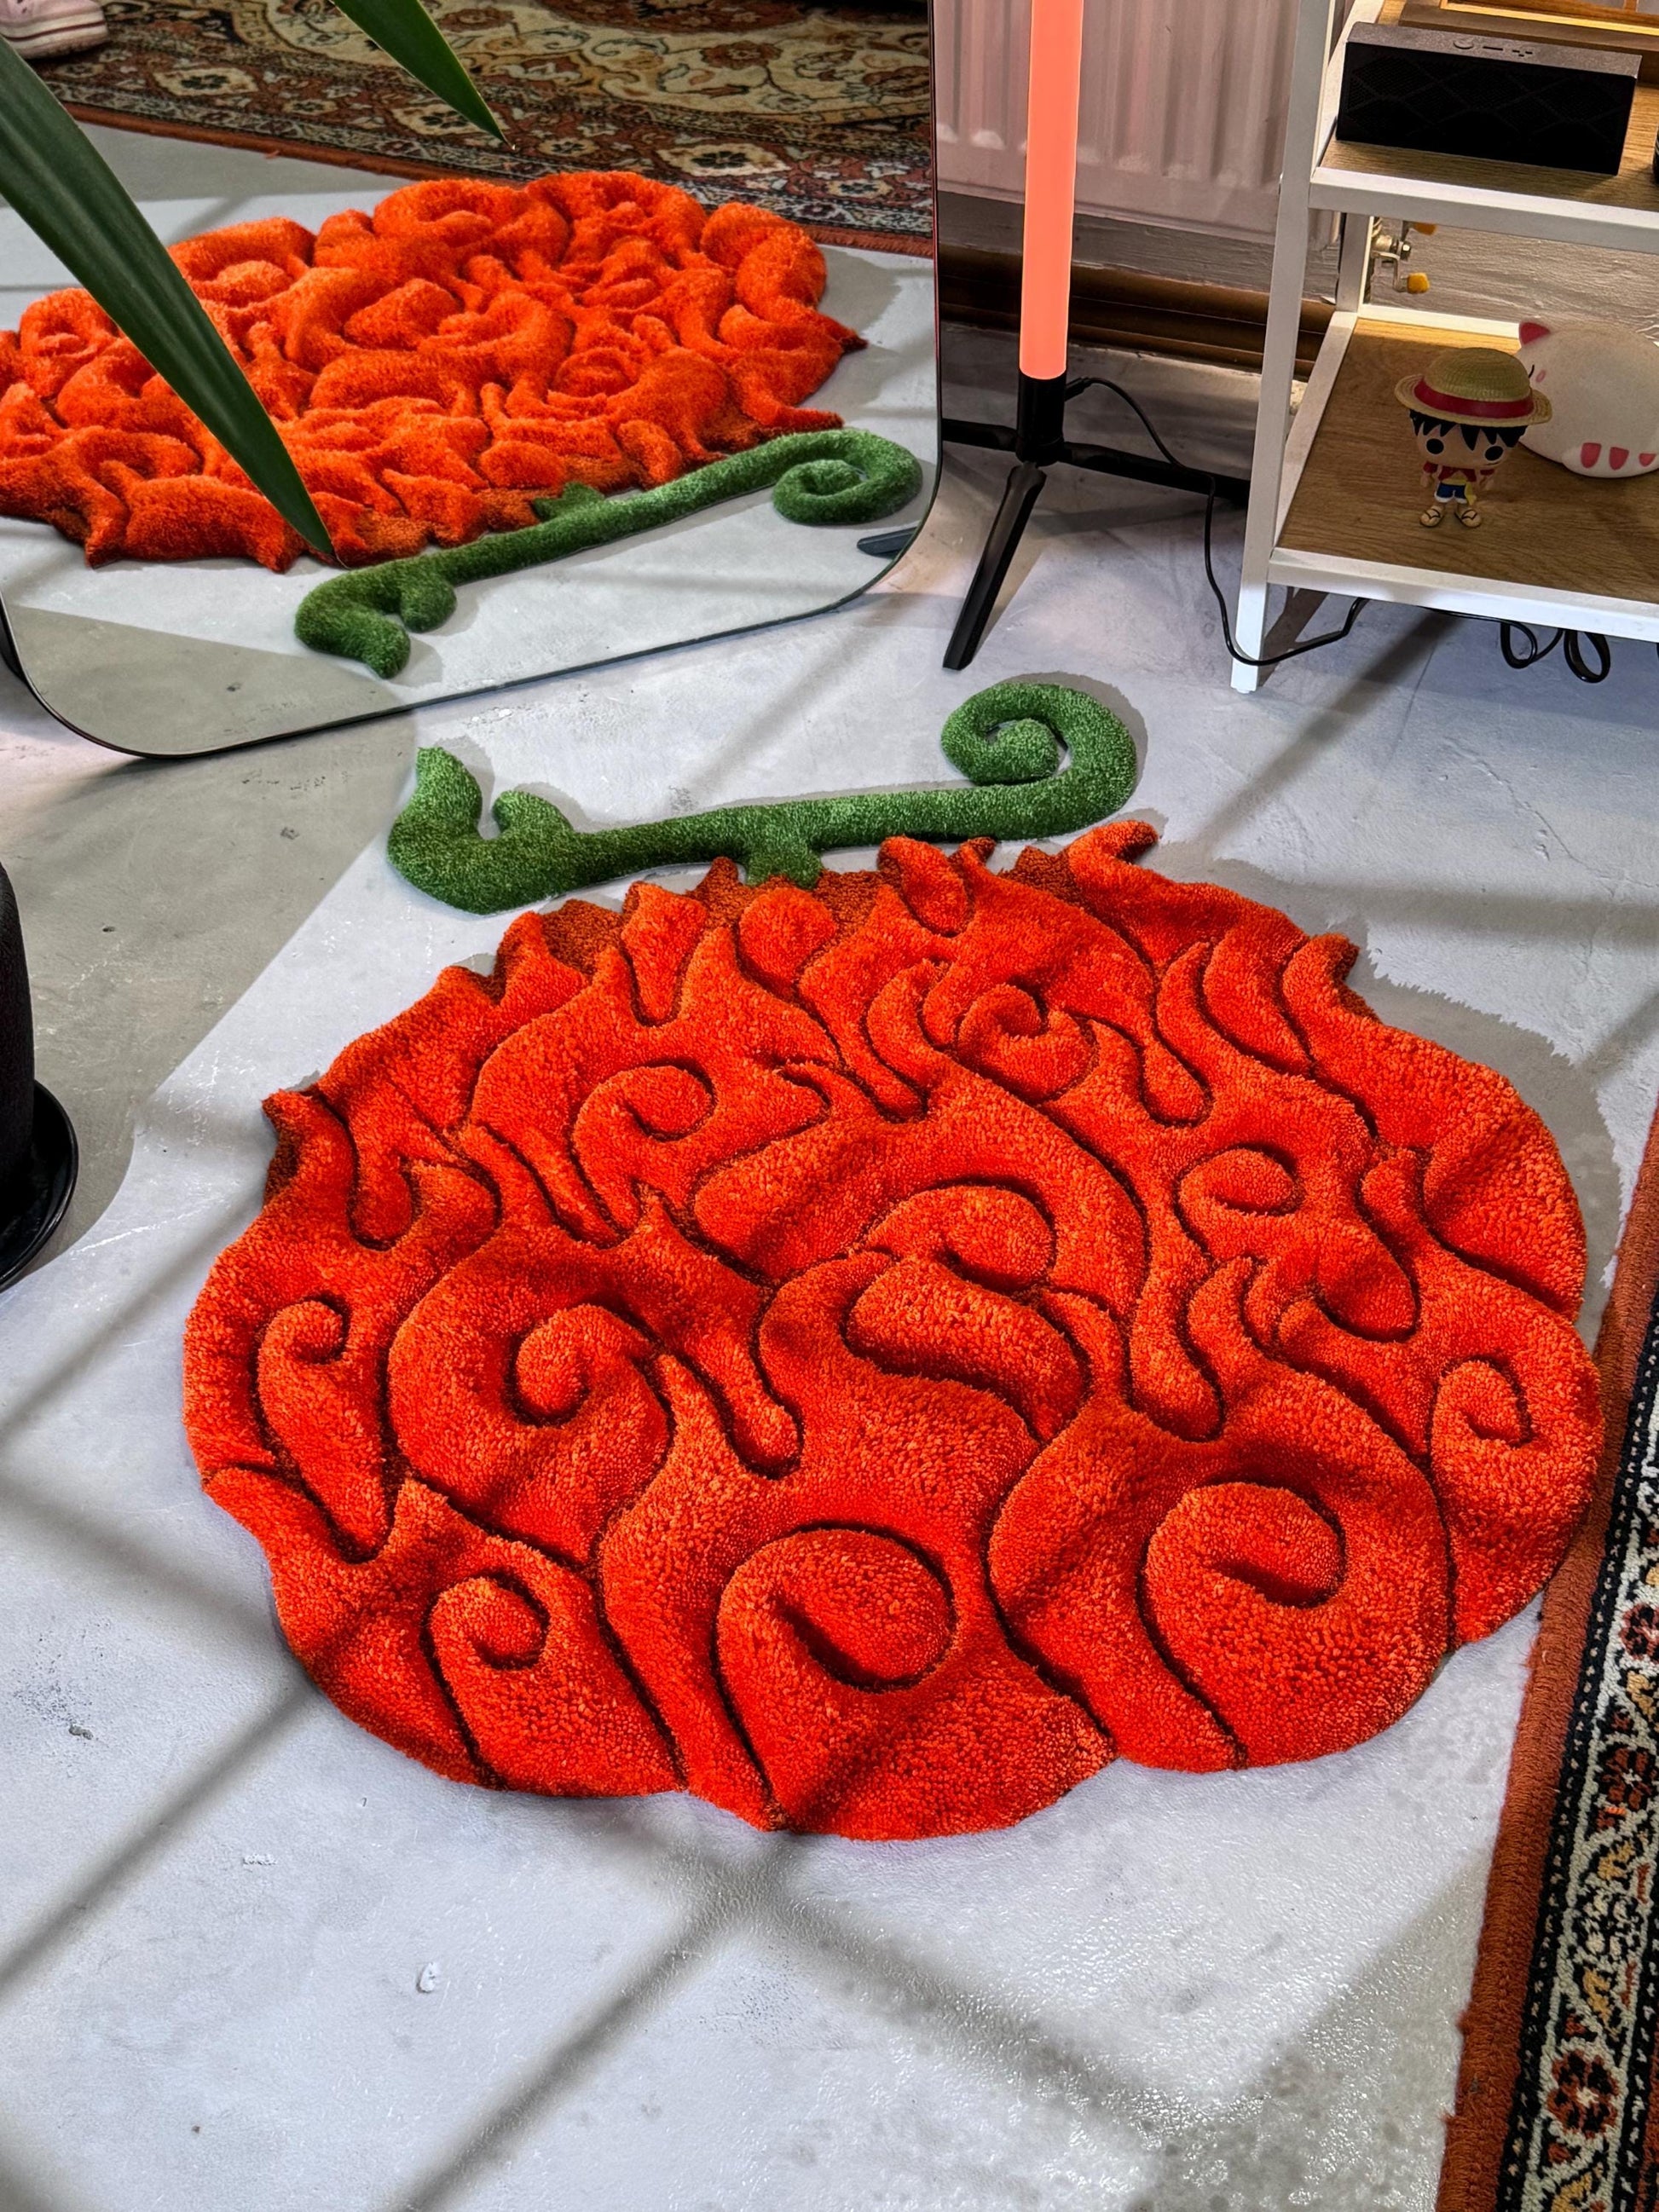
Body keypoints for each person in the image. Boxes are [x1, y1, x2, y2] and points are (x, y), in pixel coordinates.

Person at [1394, 348, 1552, 530]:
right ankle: (1438, 507)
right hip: (1445, 480)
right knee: (1441, 496)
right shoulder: (1443, 465)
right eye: (1435, 445)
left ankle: (1463, 509)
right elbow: (1430, 467)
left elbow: (1486, 473)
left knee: (1465, 498)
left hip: (1466, 484)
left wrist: (1487, 478)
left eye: (1492, 453)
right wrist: (1427, 474)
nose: (1460, 456)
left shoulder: (1475, 469)